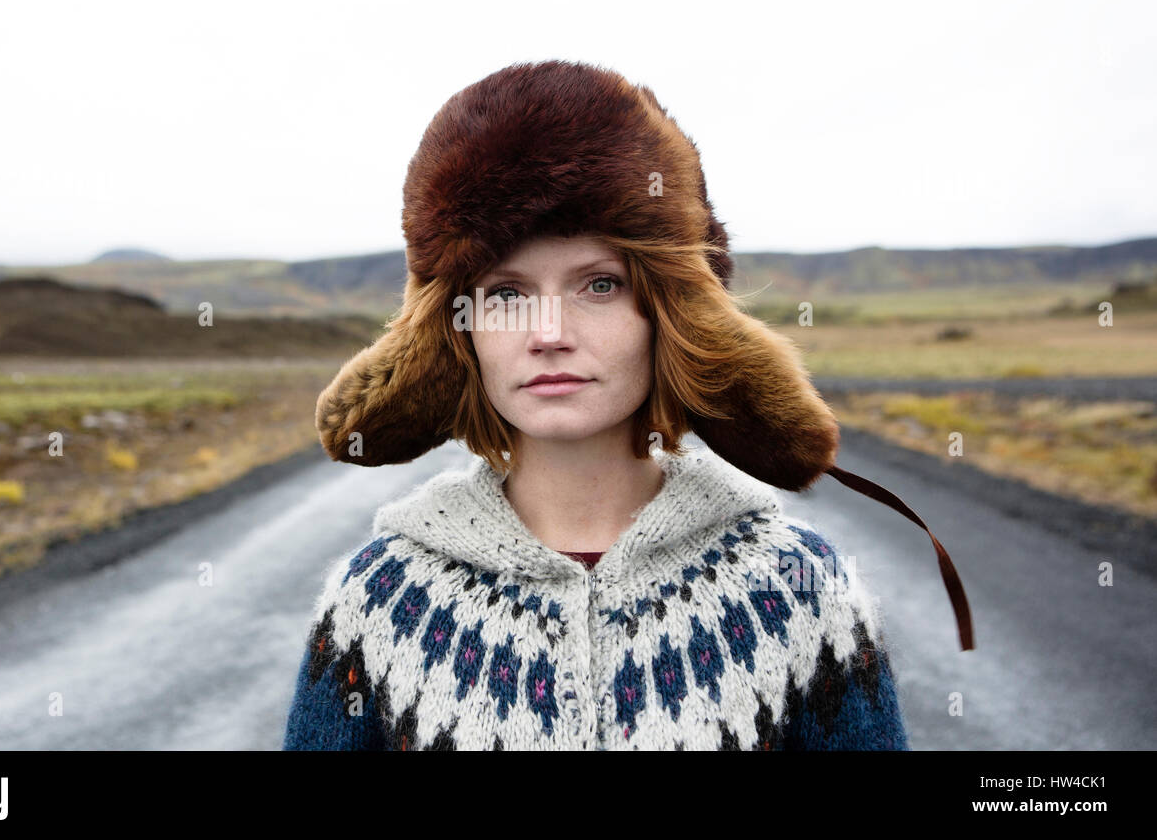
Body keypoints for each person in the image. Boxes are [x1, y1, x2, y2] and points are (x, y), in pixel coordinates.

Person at [281, 59, 972, 750]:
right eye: (508, 293)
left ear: (669, 316)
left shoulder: (799, 589)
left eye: (600, 285)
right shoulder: (377, 600)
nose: (549, 333)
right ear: (459, 331)